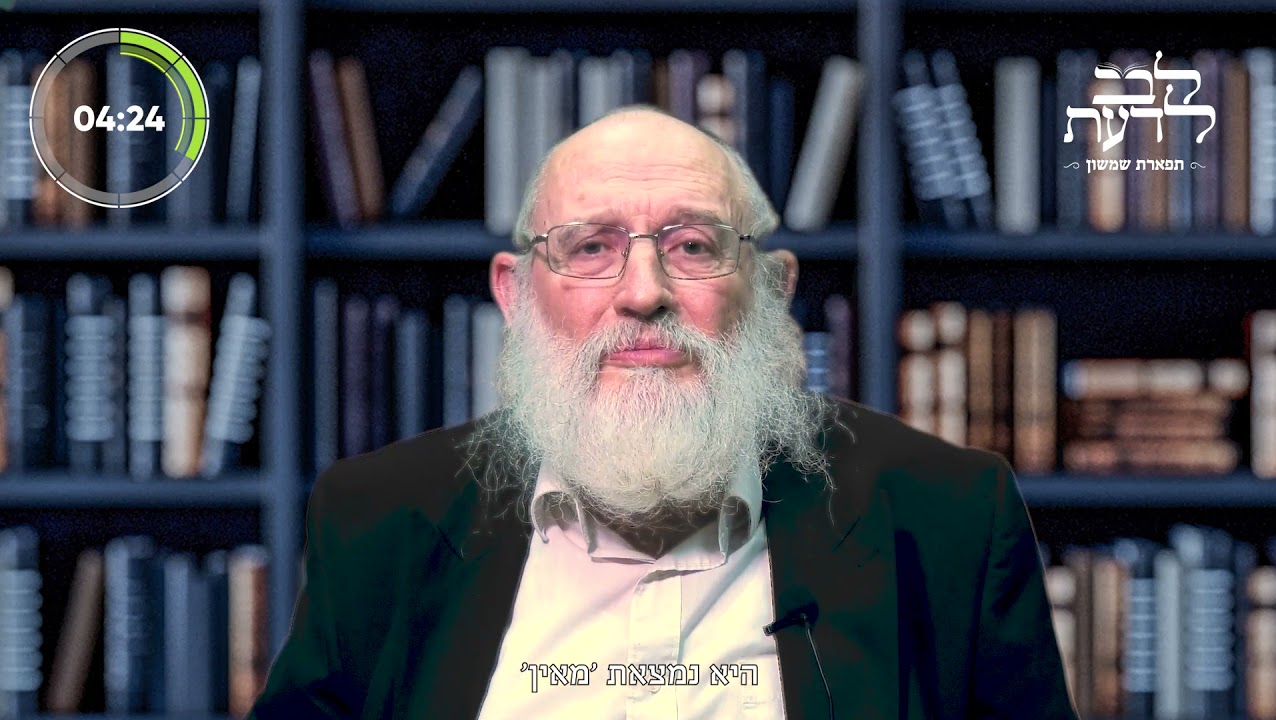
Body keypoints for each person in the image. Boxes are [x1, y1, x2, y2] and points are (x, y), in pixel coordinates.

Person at [249, 106, 1077, 720]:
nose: (643, 294)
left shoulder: (949, 518)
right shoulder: (379, 520)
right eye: (590, 247)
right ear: (516, 294)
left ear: (772, 290)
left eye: (693, 247)